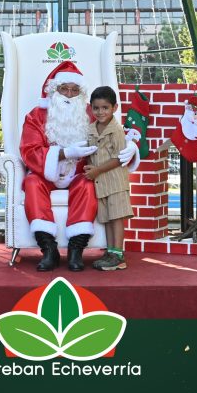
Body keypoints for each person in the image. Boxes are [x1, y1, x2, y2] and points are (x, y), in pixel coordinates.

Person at [19, 61, 139, 272]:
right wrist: (64, 153)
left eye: (75, 90)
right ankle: (49, 249)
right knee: (31, 182)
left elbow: (111, 135)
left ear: (81, 93)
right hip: (45, 175)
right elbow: (28, 150)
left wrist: (131, 147)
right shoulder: (36, 115)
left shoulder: (91, 113)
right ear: (53, 90)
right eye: (64, 89)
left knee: (88, 184)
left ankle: (76, 249)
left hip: (79, 172)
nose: (69, 94)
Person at [84, 86, 133, 271]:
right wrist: (90, 168)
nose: (100, 112)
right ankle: (111, 251)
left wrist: (96, 170)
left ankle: (118, 255)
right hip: (101, 184)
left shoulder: (117, 130)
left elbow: (119, 158)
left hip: (115, 182)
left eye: (105, 107)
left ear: (115, 108)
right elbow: (90, 152)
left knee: (116, 217)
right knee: (107, 219)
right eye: (96, 108)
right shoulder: (91, 129)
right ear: (91, 108)